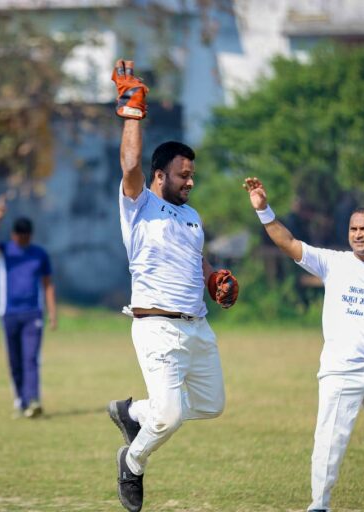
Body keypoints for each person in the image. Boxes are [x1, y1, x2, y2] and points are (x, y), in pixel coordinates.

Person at [108, 59, 239, 512]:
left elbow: (196, 259)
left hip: (197, 327)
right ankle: (132, 462)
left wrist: (215, 279)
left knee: (212, 404)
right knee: (169, 416)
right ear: (160, 175)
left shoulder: (192, 216)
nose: (191, 181)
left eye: (192, 174)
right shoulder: (138, 204)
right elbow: (129, 164)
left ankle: (132, 412)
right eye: (184, 175)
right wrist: (132, 111)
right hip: (156, 327)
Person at [243, 177, 364, 512]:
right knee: (329, 446)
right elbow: (288, 242)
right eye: (353, 229)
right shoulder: (333, 262)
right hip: (339, 374)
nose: (358, 234)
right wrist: (263, 209)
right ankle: (319, 505)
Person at [0, 194, 57, 419]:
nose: (22, 240)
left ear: (30, 236)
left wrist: (52, 313)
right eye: (19, 236)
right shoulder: (5, 251)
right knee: (15, 361)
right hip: (9, 313)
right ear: (14, 235)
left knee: (31, 358)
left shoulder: (39, 254)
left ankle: (33, 401)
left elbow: (48, 284)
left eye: (26, 237)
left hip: (33, 313)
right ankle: (21, 402)